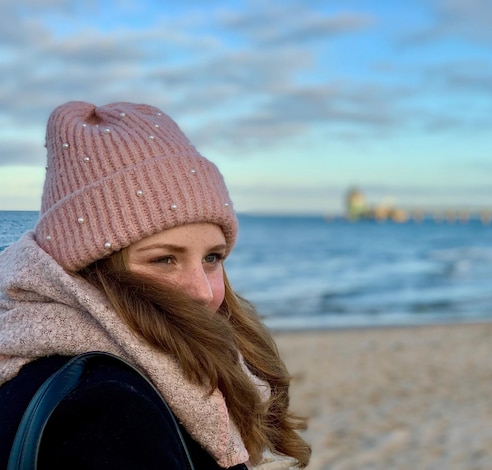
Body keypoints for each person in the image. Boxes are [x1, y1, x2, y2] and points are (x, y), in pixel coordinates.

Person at [0, 101, 311, 469]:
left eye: (212, 258)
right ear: (90, 267)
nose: (203, 291)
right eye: (164, 259)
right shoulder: (109, 410)